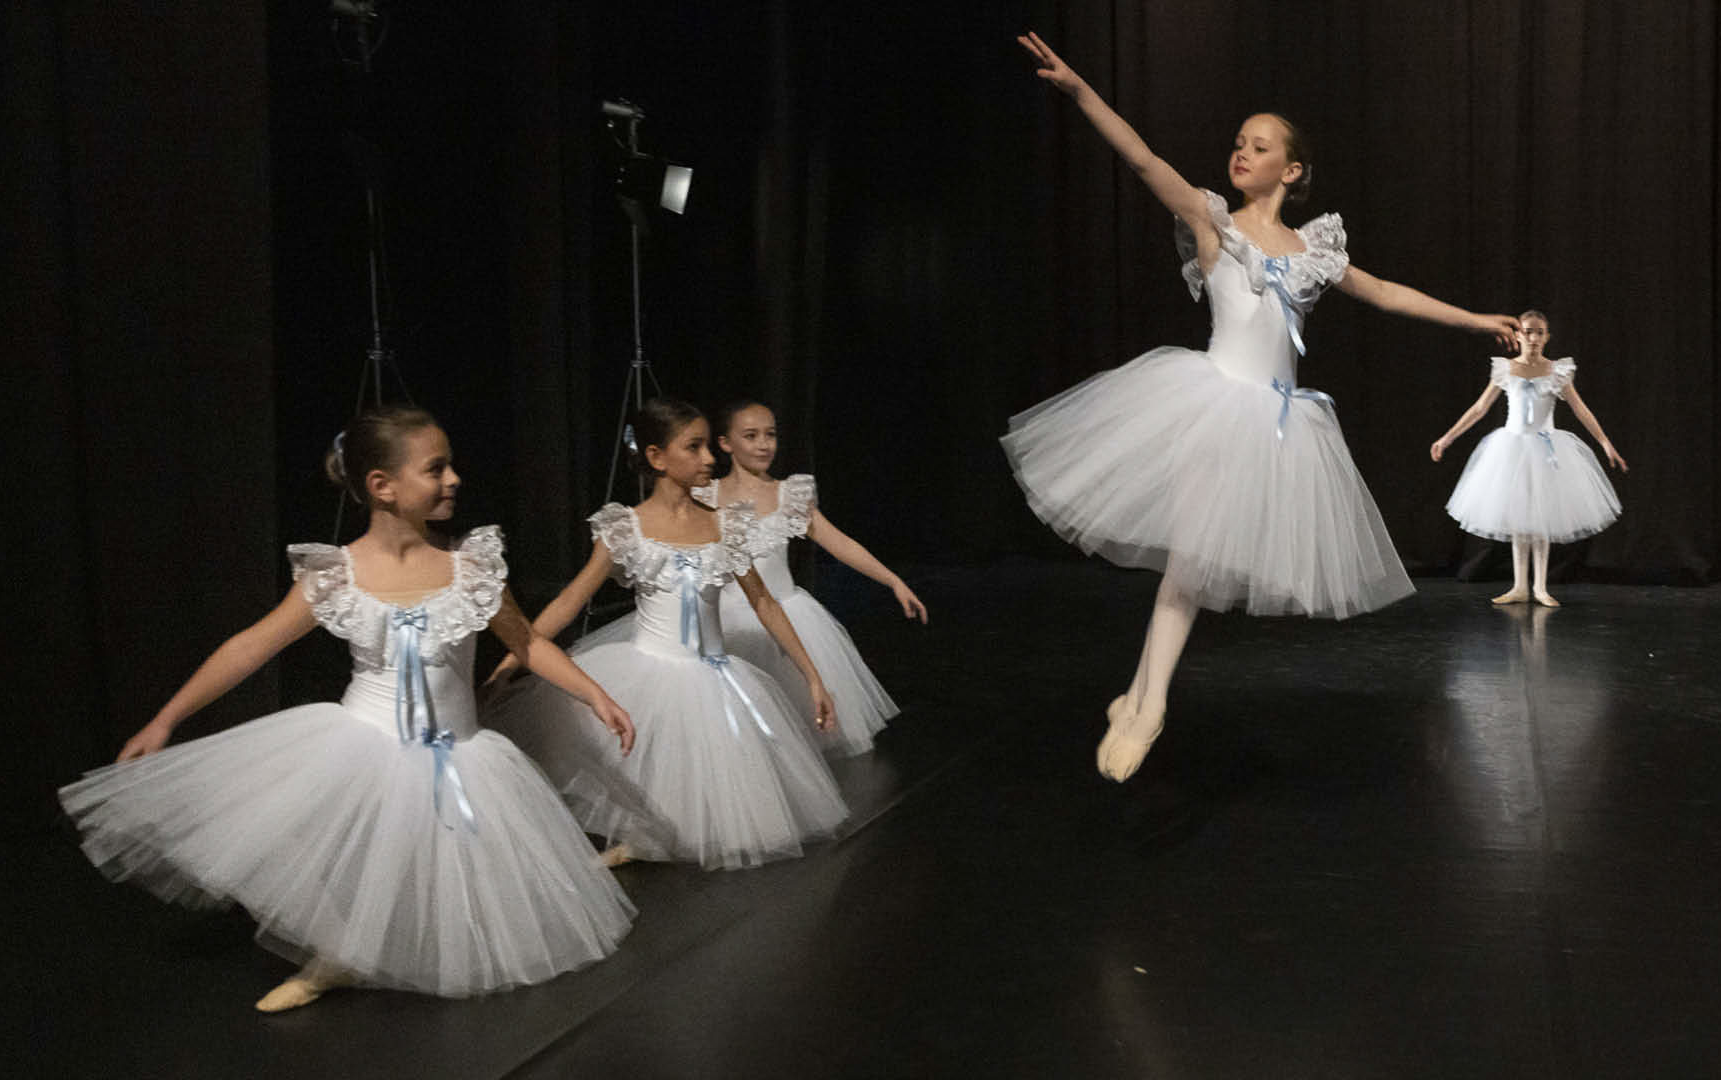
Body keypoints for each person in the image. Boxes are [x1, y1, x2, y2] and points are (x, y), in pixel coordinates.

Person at [1001, 32, 1522, 782]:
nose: (1242, 153)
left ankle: (1136, 699)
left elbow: (1385, 293)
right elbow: (1144, 161)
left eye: (1260, 146)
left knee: (1196, 569)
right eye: (1239, 143)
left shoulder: (1315, 252)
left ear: (1292, 169)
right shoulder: (1214, 223)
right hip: (1210, 405)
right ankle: (1148, 707)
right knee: (1189, 565)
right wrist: (1081, 91)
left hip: (1277, 423)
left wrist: (1474, 320)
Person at [60, 406, 637, 1011]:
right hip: (366, 742)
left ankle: (433, 945)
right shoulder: (338, 575)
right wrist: (166, 718)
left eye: (450, 466)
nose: (454, 480)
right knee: (364, 853)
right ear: (382, 486)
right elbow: (252, 646)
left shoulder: (470, 568)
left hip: (460, 749)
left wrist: (593, 692)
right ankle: (338, 954)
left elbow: (527, 642)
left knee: (452, 863)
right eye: (435, 468)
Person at [489, 399, 850, 870]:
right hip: (652, 667)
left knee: (719, 779)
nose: (709, 459)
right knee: (648, 758)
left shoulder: (725, 522)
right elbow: (571, 599)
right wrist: (512, 659)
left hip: (716, 672)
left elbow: (764, 601)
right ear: (657, 457)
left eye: (708, 447)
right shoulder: (627, 528)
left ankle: (667, 837)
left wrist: (812, 675)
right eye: (694, 447)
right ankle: (642, 833)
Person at [574, 399, 926, 756]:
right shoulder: (704, 496)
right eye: (751, 436)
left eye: (770, 435)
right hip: (717, 620)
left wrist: (892, 580)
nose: (763, 444)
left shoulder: (789, 495)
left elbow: (839, 544)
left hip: (780, 613)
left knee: (779, 728)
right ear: (726, 443)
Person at [1431, 310, 1626, 605]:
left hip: (1547, 450)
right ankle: (1520, 586)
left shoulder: (1557, 371)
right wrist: (1447, 438)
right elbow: (1480, 408)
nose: (1533, 338)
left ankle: (1540, 587)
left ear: (1547, 337)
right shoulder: (1506, 369)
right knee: (1520, 519)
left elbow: (1580, 409)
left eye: (1539, 332)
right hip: (1511, 449)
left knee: (1541, 517)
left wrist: (1605, 442)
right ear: (1518, 335)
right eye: (1528, 332)